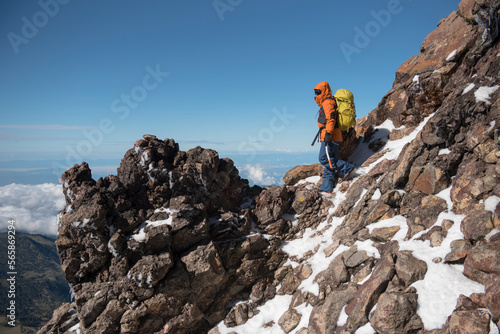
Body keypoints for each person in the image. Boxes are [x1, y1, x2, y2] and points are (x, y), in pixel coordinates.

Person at [314, 81, 354, 193]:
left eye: (318, 92)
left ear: (324, 91)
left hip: (331, 136)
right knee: (330, 162)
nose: (316, 94)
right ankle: (327, 187)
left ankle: (347, 168)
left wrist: (328, 134)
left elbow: (331, 119)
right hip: (334, 136)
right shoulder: (328, 102)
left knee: (323, 159)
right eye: (316, 92)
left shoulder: (328, 103)